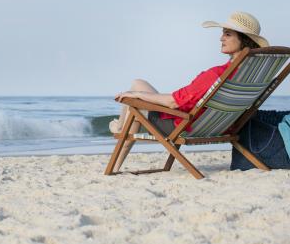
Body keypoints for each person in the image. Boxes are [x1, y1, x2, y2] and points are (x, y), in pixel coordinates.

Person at [109, 11, 270, 172]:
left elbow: (172, 102)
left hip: (182, 126)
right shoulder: (252, 77)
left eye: (227, 34)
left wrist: (137, 95)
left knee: (135, 94)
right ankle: (120, 129)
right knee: (139, 87)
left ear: (244, 39)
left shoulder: (216, 74)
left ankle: (117, 144)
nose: (221, 39)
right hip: (219, 127)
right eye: (222, 34)